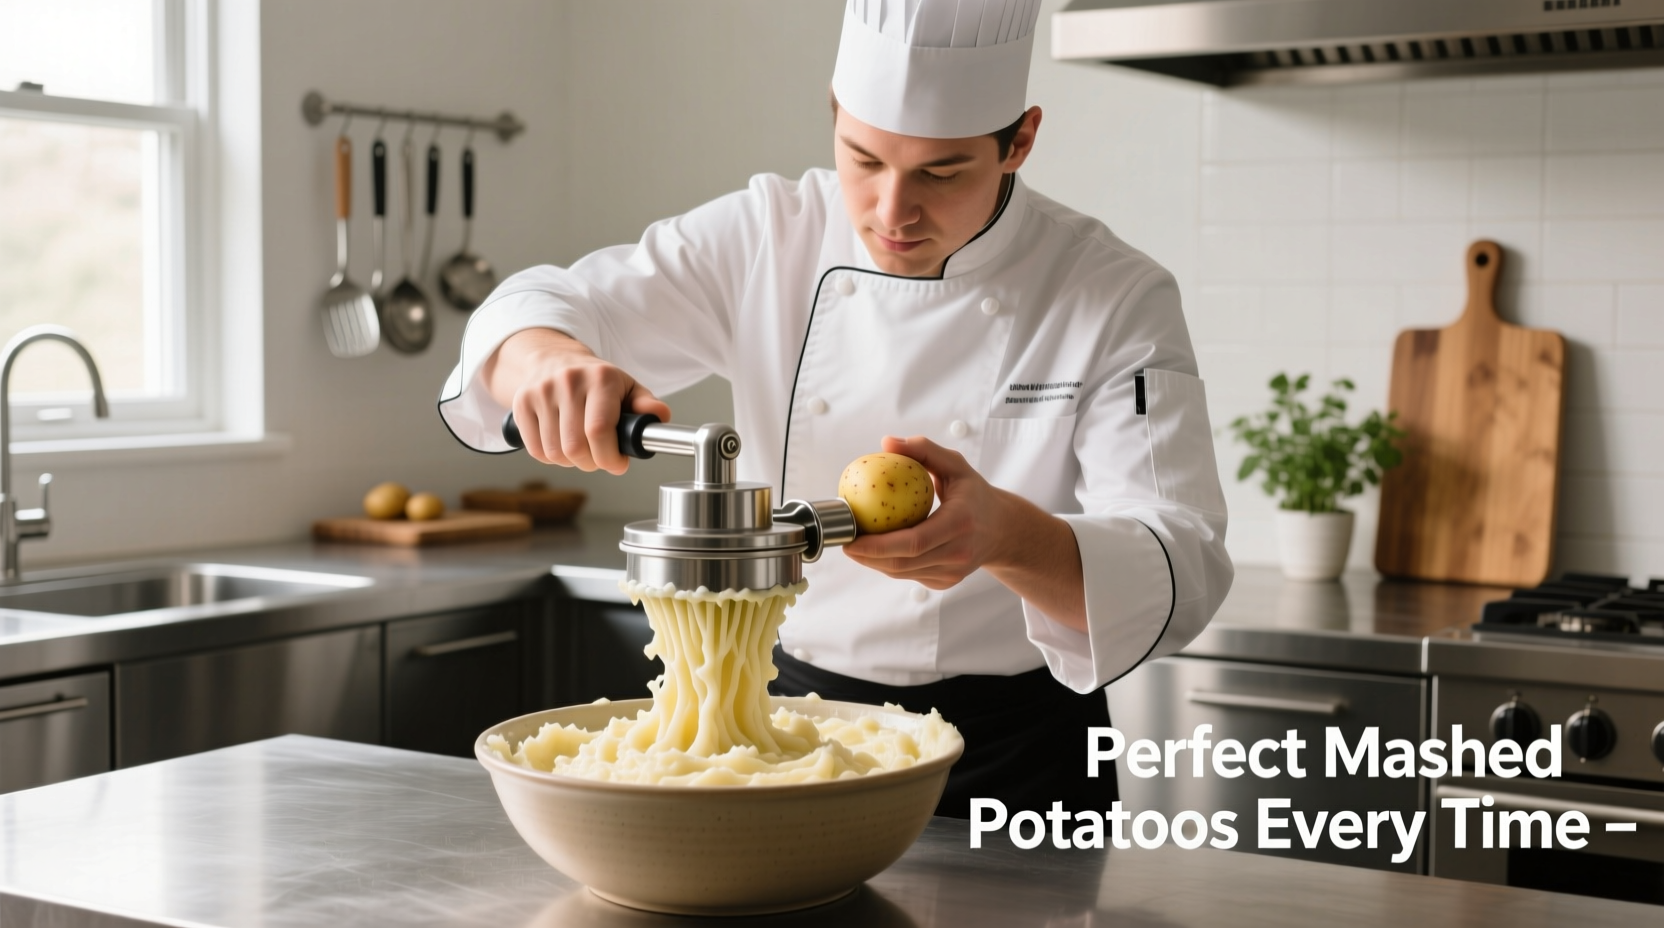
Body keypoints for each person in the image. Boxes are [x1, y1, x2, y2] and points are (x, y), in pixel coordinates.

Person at [439, 0, 1232, 817]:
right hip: (794, 736)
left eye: (942, 172)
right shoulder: (767, 237)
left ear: (1020, 141)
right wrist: (547, 359)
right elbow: (547, 302)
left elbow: (1181, 561)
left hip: (1018, 754)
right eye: (863, 158)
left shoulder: (1109, 294)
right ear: (834, 113)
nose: (893, 213)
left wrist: (1004, 534)